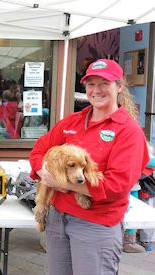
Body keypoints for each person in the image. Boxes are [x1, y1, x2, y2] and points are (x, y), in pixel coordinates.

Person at [29, 59, 149, 275]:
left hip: (95, 224)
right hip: (58, 218)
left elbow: (116, 186)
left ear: (119, 87)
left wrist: (62, 183)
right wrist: (44, 173)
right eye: (91, 84)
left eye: (105, 83)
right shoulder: (72, 122)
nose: (96, 90)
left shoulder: (128, 131)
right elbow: (39, 150)